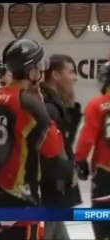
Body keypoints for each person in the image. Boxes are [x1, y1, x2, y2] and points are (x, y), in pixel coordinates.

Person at [0, 39, 74, 240]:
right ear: (31, 70)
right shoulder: (29, 103)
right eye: (39, 66)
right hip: (20, 203)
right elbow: (53, 148)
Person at [39, 54, 83, 240]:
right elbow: (47, 151)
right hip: (48, 191)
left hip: (54, 189)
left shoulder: (57, 105)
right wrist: (67, 170)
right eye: (71, 71)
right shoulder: (49, 108)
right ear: (56, 75)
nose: (75, 77)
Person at [74, 61, 110, 240]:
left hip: (105, 173)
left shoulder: (97, 105)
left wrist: (80, 161)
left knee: (102, 219)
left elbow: (87, 137)